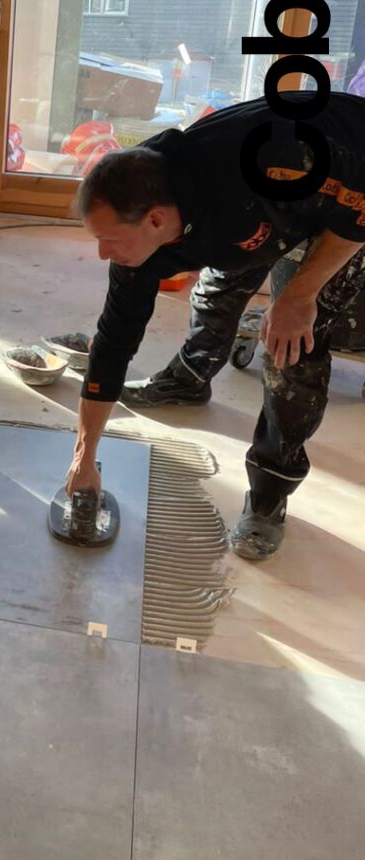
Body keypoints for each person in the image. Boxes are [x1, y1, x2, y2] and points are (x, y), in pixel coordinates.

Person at [67, 90, 365, 560]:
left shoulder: (275, 161)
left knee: (291, 346)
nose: (103, 254)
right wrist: (84, 455)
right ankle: (189, 380)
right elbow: (114, 340)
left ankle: (270, 494)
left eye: (109, 240)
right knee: (217, 289)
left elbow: (359, 208)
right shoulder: (146, 213)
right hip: (252, 213)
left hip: (344, 191)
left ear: (155, 220)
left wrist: (299, 295)